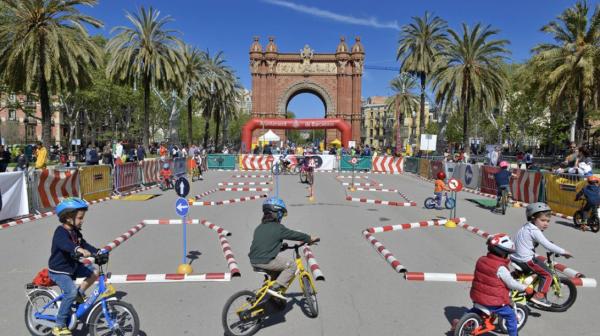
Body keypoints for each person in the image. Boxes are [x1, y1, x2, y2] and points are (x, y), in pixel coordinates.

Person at [48, 198, 102, 336]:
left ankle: (80, 294)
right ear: (67, 218)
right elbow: (65, 245)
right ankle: (59, 325)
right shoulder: (60, 232)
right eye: (79, 218)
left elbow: (84, 244)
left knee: (94, 272)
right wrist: (78, 249)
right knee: (70, 292)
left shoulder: (76, 232)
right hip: (59, 271)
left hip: (72, 267)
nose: (82, 220)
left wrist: (98, 252)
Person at [462, 233, 533, 336]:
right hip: (493, 302)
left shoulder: (481, 260)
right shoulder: (501, 268)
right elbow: (511, 284)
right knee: (511, 316)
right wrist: (525, 288)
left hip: (476, 296)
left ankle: (463, 321)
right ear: (504, 253)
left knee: (476, 309)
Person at [248, 197, 319, 296]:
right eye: (281, 213)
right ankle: (275, 287)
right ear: (278, 213)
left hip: (254, 261)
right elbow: (294, 234)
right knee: (291, 265)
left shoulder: (259, 228)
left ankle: (268, 297)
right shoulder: (278, 228)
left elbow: (264, 246)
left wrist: (281, 248)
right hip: (265, 261)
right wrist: (309, 238)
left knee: (276, 274)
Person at [511, 203, 572, 307]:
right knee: (548, 274)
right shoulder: (535, 231)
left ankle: (523, 289)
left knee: (537, 268)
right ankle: (539, 296)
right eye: (542, 220)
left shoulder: (525, 227)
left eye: (548, 221)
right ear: (533, 218)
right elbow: (547, 245)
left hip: (515, 258)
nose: (546, 223)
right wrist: (563, 252)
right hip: (526, 260)